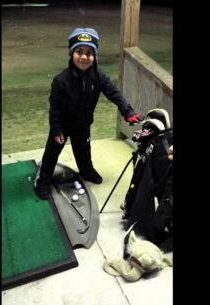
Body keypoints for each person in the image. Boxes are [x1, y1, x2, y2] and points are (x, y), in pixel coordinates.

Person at [34, 27, 144, 200]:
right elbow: (54, 108)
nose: (84, 57)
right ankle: (42, 181)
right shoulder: (61, 80)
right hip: (62, 126)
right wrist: (56, 130)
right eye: (79, 51)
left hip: (83, 124)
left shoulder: (98, 76)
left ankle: (86, 171)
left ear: (95, 56)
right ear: (71, 53)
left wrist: (127, 112)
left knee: (83, 150)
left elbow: (114, 93)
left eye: (89, 53)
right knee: (51, 154)